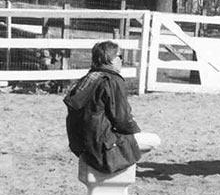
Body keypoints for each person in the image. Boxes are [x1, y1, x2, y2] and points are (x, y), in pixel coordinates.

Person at [65, 41, 160, 175]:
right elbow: (122, 120)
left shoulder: (86, 79)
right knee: (154, 140)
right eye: (120, 57)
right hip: (102, 148)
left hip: (80, 146)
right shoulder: (112, 80)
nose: (122, 61)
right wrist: (133, 131)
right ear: (111, 59)